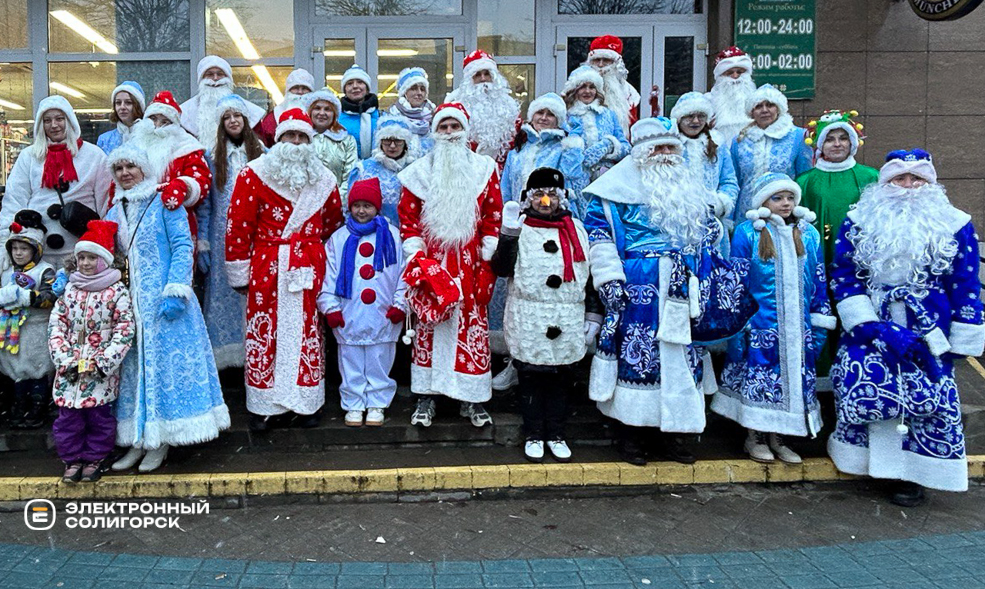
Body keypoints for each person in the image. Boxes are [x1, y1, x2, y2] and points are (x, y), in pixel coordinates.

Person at [828, 149, 984, 507]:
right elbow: (844, 274)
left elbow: (966, 282)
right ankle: (874, 466)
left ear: (931, 183)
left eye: (918, 179)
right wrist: (867, 325)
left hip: (931, 326)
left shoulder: (956, 222)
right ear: (885, 183)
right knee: (872, 389)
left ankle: (917, 474)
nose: (909, 186)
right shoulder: (860, 220)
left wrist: (964, 335)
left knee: (929, 397)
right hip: (873, 322)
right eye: (900, 178)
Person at [583, 116, 722, 466]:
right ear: (641, 152)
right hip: (638, 286)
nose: (664, 153)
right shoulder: (613, 189)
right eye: (656, 147)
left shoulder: (689, 188)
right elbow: (599, 238)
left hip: (682, 287)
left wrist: (703, 281)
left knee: (681, 360)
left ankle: (676, 436)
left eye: (669, 147)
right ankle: (632, 435)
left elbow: (707, 241)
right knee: (638, 359)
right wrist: (610, 280)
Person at [104, 145, 229, 473]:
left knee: (163, 372)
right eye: (119, 169)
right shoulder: (114, 209)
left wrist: (176, 289)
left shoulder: (164, 201)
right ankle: (138, 439)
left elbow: (183, 244)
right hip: (130, 307)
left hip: (165, 305)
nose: (126, 173)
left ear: (145, 169)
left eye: (131, 166)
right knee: (135, 374)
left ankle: (162, 441)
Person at [225, 108, 344, 432]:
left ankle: (307, 403)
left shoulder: (324, 180)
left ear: (310, 141)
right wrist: (239, 270)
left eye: (302, 136)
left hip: (308, 266)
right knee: (266, 332)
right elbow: (238, 226)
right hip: (267, 267)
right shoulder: (253, 174)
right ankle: (266, 407)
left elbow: (333, 223)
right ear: (278, 140)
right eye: (289, 136)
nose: (295, 142)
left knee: (308, 332)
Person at [712, 173, 835, 464]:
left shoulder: (809, 234)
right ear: (763, 201)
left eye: (790, 197)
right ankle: (754, 435)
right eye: (777, 198)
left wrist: (819, 318)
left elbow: (817, 278)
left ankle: (781, 436)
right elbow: (737, 279)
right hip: (761, 325)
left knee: (792, 382)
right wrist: (741, 321)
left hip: (798, 326)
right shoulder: (748, 233)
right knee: (759, 380)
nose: (786, 203)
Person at [397, 102, 502, 428]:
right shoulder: (418, 173)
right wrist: (417, 258)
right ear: (434, 132)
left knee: (471, 330)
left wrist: (487, 264)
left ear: (465, 130)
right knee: (429, 327)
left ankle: (471, 398)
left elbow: (492, 218)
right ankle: (427, 396)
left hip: (470, 266)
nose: (449, 133)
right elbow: (408, 220)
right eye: (443, 127)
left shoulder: (484, 169)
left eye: (454, 127)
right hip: (432, 264)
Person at [491, 167, 601, 463]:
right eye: (538, 194)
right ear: (529, 198)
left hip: (566, 316)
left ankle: (556, 433)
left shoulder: (575, 229)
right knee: (531, 377)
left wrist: (593, 315)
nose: (545, 201)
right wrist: (508, 235)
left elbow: (588, 275)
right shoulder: (523, 227)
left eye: (551, 195)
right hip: (530, 315)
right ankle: (533, 434)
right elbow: (501, 269)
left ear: (561, 198)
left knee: (561, 378)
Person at [797, 109, 878, 389]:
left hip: (858, 264)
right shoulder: (805, 181)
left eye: (844, 138)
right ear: (819, 145)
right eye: (830, 139)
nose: (837, 144)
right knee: (822, 314)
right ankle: (821, 376)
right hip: (819, 262)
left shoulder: (869, 176)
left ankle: (859, 375)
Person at [48, 220, 134, 483]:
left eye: (91, 258)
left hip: (99, 372)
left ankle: (96, 458)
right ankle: (72, 460)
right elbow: (56, 325)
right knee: (68, 421)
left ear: (105, 260)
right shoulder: (71, 290)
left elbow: (125, 328)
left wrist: (104, 361)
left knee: (99, 420)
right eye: (81, 257)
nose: (85, 263)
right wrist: (64, 358)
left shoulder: (116, 291)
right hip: (70, 371)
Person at [318, 177, 407, 427]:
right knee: (351, 361)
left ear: (377, 207)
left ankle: (377, 402)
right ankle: (354, 403)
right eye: (356, 205)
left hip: (383, 313)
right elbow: (328, 275)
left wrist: (401, 303)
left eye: (367, 205)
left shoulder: (392, 236)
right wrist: (330, 307)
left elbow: (404, 273)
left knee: (380, 359)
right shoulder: (338, 238)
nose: (361, 210)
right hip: (349, 313)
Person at [1, 96, 111, 268]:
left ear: (70, 120)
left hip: (82, 257)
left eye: (59, 119)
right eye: (47, 120)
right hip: (35, 256)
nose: (54, 125)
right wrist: (4, 243)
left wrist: (105, 244)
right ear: (40, 124)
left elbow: (106, 204)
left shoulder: (94, 156)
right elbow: (14, 200)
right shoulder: (29, 157)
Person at [197, 94, 265, 370]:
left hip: (257, 236)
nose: (233, 121)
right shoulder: (211, 157)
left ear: (246, 120)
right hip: (221, 236)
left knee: (254, 295)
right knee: (223, 296)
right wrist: (203, 241)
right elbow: (205, 205)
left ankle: (256, 353)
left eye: (237, 115)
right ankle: (226, 359)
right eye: (227, 117)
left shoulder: (262, 153)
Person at [129, 91, 213, 249]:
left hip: (177, 226)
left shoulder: (187, 147)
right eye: (153, 119)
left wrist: (184, 186)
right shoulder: (134, 145)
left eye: (165, 121)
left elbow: (202, 180)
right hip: (139, 225)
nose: (157, 126)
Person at [0, 211, 58, 429]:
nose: (18, 253)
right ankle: (18, 404)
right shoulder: (6, 272)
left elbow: (50, 297)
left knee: (37, 368)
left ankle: (38, 405)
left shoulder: (45, 271)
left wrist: (25, 297)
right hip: (11, 330)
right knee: (14, 368)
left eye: (24, 249)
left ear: (36, 250)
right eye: (14, 248)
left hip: (35, 328)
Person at [730, 84, 812, 227]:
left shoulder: (798, 136)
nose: (765, 110)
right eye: (758, 106)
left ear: (779, 108)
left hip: (784, 214)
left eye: (770, 105)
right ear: (751, 111)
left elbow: (804, 179)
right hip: (747, 214)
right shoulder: (740, 141)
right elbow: (734, 181)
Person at [671, 92, 739, 243]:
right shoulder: (670, 145)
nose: (695, 121)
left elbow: (729, 181)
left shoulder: (718, 144)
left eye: (701, 116)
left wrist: (721, 203)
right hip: (678, 222)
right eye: (689, 116)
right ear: (679, 118)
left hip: (712, 220)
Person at [444, 50, 521, 167]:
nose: (483, 79)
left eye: (487, 74)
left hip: (502, 173)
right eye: (478, 75)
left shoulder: (509, 108)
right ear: (469, 79)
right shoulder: (457, 108)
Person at [179, 55, 266, 152]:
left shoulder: (250, 111)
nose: (215, 79)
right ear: (201, 78)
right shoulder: (185, 113)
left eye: (220, 74)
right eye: (209, 74)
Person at [562, 65, 630, 184]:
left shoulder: (609, 114)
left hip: (605, 177)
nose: (587, 91)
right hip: (574, 179)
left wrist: (608, 146)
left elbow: (626, 148)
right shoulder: (565, 116)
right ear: (574, 90)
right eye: (582, 87)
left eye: (592, 87)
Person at [347, 116, 420, 226]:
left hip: (407, 231)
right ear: (380, 142)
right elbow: (351, 206)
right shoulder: (363, 169)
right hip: (372, 230)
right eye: (387, 140)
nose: (392, 146)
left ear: (405, 143)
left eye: (398, 141)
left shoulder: (414, 169)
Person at [305, 89, 358, 204]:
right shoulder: (302, 138)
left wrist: (335, 200)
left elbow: (350, 177)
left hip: (336, 204)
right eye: (317, 108)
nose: (322, 113)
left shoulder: (347, 140)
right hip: (304, 202)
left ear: (334, 114)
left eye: (327, 109)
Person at [583, 35, 641, 136]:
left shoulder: (629, 93)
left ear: (616, 64)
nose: (600, 65)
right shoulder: (579, 90)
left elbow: (634, 129)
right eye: (597, 60)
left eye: (606, 60)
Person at [706, 46, 757, 146]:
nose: (735, 76)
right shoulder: (708, 100)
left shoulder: (758, 101)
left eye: (739, 72)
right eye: (729, 73)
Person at [255, 68, 316, 148]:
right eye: (296, 88)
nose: (300, 92)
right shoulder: (273, 117)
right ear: (288, 91)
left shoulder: (319, 116)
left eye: (304, 88)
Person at [387, 67, 435, 153]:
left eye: (422, 89)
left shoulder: (435, 117)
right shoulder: (391, 117)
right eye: (413, 88)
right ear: (404, 93)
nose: (419, 93)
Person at [338, 65, 379, 160]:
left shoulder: (381, 116)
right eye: (349, 83)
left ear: (367, 88)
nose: (355, 86)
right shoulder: (336, 119)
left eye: (360, 82)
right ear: (345, 90)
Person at [96, 81, 146, 155]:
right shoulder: (104, 140)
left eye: (128, 103)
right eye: (118, 103)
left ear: (138, 106)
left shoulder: (148, 137)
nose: (122, 107)